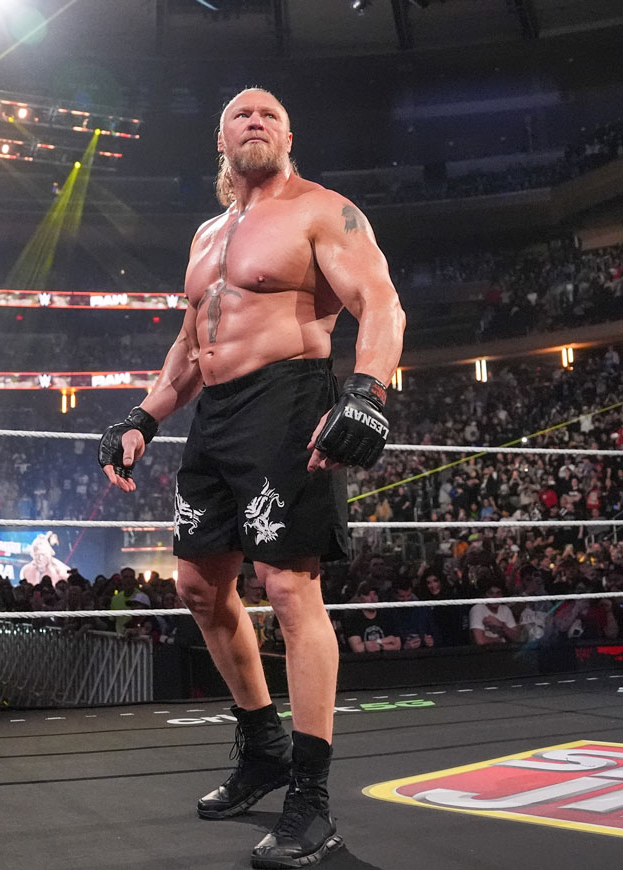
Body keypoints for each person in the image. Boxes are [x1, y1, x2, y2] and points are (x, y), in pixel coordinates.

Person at [98, 87, 404, 868]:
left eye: (270, 114)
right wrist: (143, 418)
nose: (256, 121)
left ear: (289, 137)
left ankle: (311, 800)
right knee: (198, 587)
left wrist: (367, 391)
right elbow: (191, 341)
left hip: (288, 400)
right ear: (222, 140)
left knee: (290, 588)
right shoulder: (207, 235)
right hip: (216, 415)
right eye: (242, 114)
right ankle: (261, 745)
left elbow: (380, 302)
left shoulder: (323, 212)